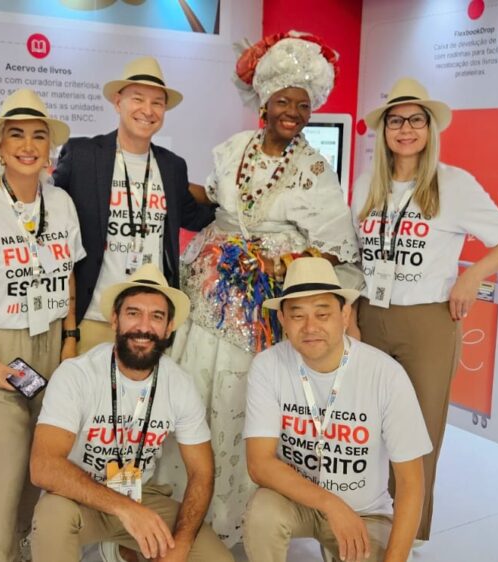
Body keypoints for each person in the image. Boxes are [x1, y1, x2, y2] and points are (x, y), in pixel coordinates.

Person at [158, 31, 361, 546]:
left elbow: (335, 246)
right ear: (264, 103)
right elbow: (208, 205)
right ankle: (185, 507)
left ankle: (240, 518)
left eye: (302, 104)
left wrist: (281, 263)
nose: (292, 112)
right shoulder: (231, 151)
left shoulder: (316, 170)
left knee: (245, 396)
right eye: (282, 101)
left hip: (265, 307)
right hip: (208, 295)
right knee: (197, 385)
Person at [352, 77, 498, 541]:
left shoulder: (453, 184)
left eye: (415, 120)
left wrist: (471, 276)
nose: (405, 129)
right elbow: (352, 256)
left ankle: (408, 535)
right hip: (370, 315)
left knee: (419, 431)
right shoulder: (366, 186)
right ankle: (365, 522)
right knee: (364, 426)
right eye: (395, 121)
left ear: (429, 129)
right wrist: (350, 314)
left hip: (427, 321)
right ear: (384, 130)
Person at [0, 88, 85, 562]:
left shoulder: (62, 204)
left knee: (43, 463)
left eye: (38, 136)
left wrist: (69, 342)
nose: (28, 145)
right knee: (6, 467)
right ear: (0, 147)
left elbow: (68, 275)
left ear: (50, 148)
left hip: (51, 337)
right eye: (17, 135)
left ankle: (31, 553)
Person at [28, 264, 233, 562]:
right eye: (133, 313)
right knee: (50, 515)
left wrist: (182, 543)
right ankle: (121, 540)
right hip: (79, 496)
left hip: (141, 494)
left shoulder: (179, 384)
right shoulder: (76, 375)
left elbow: (202, 473)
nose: (143, 326)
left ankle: (122, 547)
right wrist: (124, 509)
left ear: (169, 327)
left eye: (156, 316)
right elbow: (43, 466)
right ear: (115, 320)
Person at [243, 257, 431, 562]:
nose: (310, 327)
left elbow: (411, 484)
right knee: (262, 513)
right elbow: (259, 464)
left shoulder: (385, 374)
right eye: (298, 315)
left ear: (345, 315)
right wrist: (331, 504)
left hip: (365, 513)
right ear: (283, 321)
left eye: (322, 313)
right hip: (298, 501)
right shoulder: (268, 366)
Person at [52, 56, 215, 354]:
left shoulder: (171, 165)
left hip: (149, 320)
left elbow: (194, 216)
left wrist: (240, 201)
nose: (148, 111)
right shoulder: (83, 155)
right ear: (118, 102)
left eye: (157, 103)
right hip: (94, 316)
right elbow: (50, 210)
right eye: (137, 99)